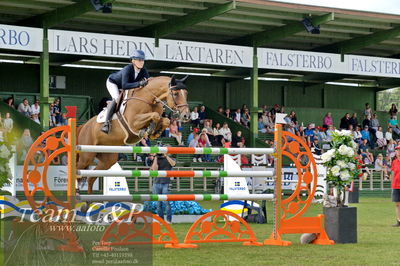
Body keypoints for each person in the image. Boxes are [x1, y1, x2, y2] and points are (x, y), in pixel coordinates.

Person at [102, 49, 149, 133]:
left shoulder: (144, 71)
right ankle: (106, 123)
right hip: (113, 83)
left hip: (128, 86)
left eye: (143, 60)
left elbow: (147, 83)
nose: (142, 62)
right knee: (116, 99)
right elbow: (125, 85)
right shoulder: (128, 69)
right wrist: (139, 83)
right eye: (139, 60)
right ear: (133, 60)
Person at [151, 152, 176, 224]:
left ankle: (169, 220)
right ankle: (161, 220)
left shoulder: (170, 159)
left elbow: (173, 164)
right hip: (156, 183)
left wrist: (166, 156)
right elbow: (154, 169)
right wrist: (155, 157)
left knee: (167, 203)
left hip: (166, 183)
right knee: (158, 204)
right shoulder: (156, 159)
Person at [390, 145, 400, 226]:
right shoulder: (394, 162)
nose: (398, 151)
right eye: (397, 150)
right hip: (396, 186)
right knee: (397, 204)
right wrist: (392, 183)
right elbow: (393, 173)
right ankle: (398, 220)